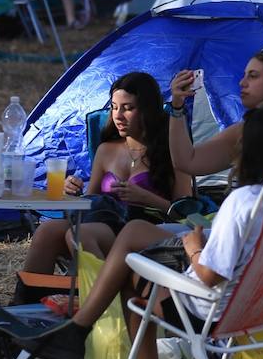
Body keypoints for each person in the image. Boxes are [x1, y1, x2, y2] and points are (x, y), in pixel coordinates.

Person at [15, 108, 263, 359]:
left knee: (131, 280)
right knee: (135, 231)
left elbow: (210, 276)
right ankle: (82, 334)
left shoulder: (243, 201)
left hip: (212, 308)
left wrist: (195, 247)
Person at [20, 73, 192, 278]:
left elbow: (185, 212)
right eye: (114, 107)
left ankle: (101, 303)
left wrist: (147, 198)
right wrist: (74, 192)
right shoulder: (106, 150)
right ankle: (25, 303)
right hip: (105, 221)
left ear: (148, 110)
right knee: (47, 231)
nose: (118, 116)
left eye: (128, 108)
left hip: (146, 228)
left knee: (80, 235)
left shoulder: (173, 151)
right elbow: (90, 200)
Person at [167, 45, 263, 178]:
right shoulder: (243, 131)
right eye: (245, 75)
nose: (242, 83)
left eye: (253, 76)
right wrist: (177, 106)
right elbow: (187, 161)